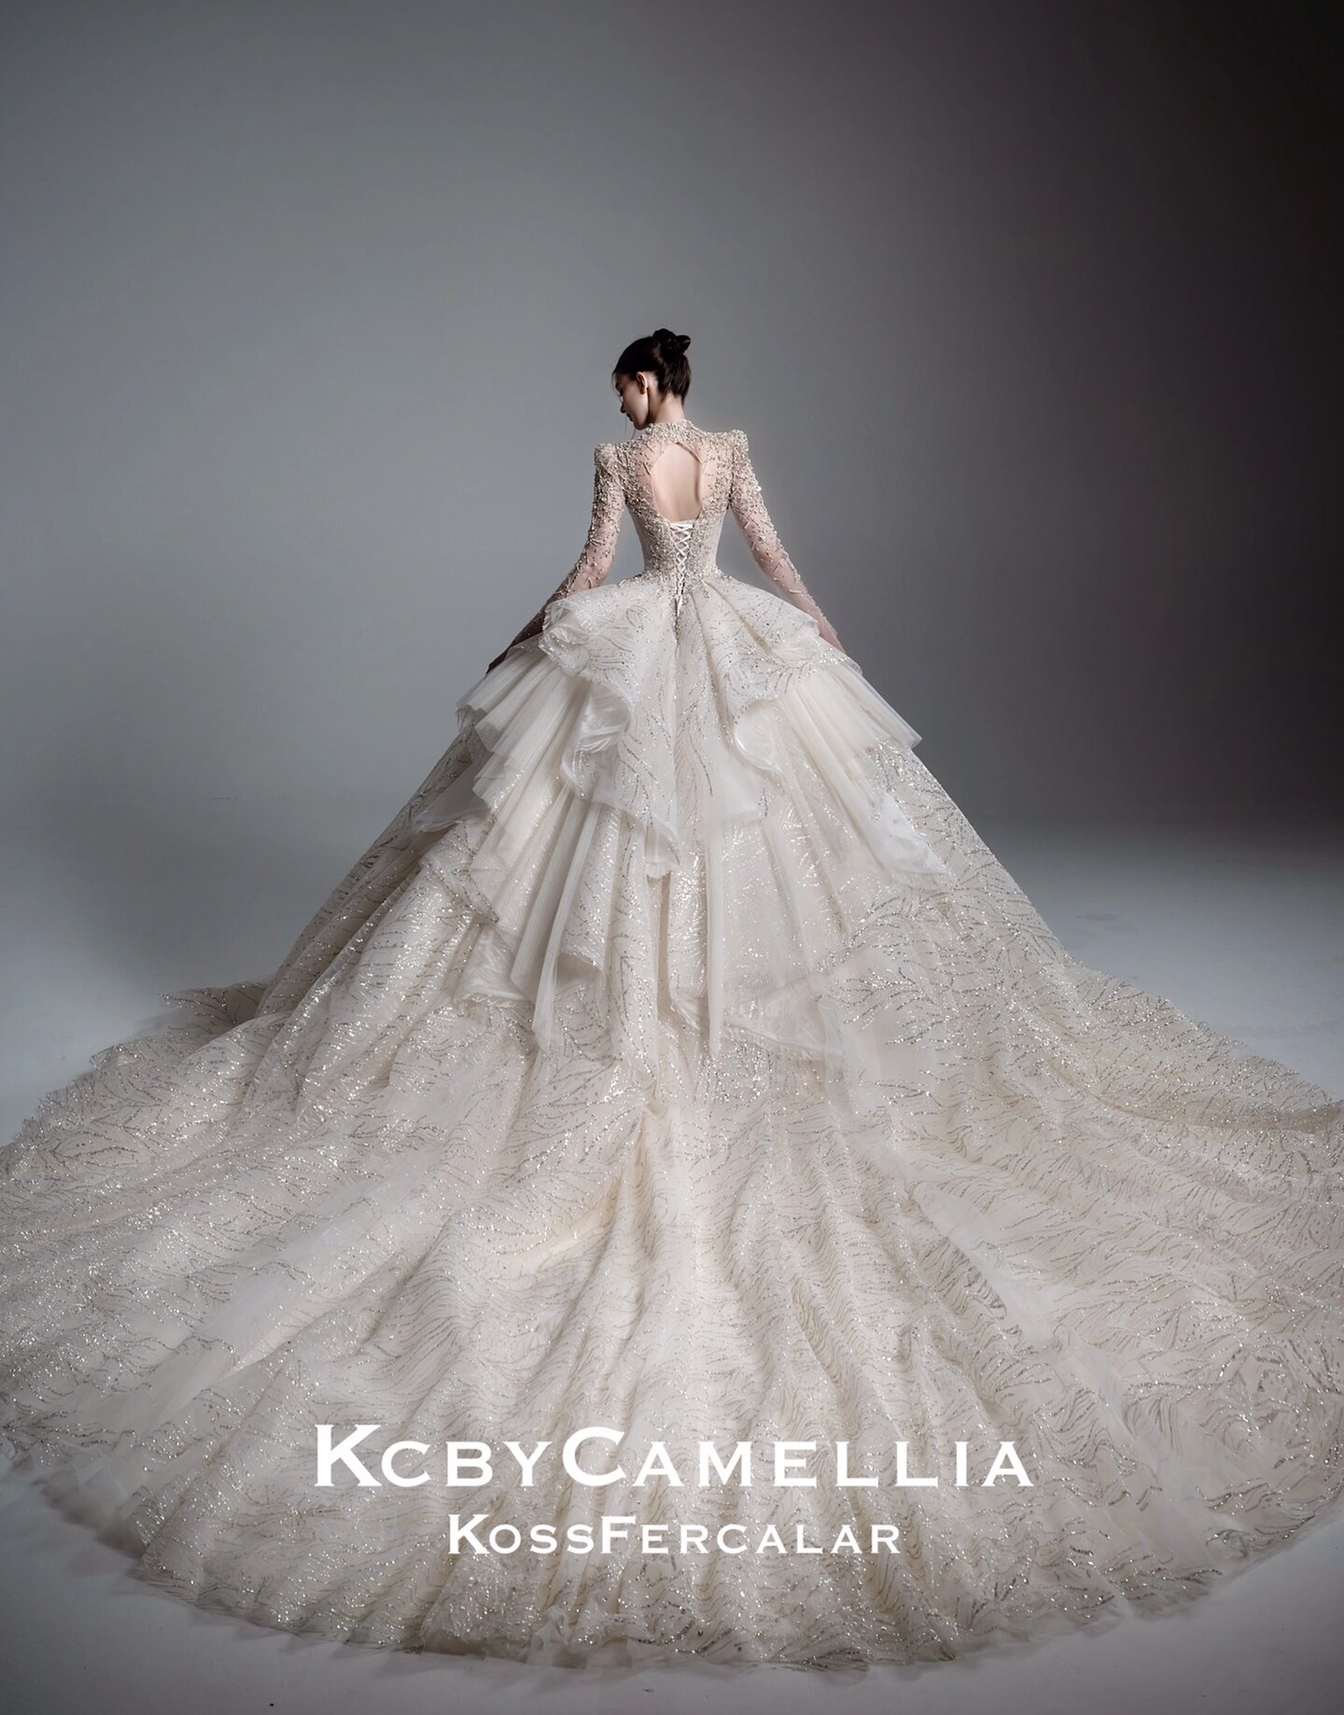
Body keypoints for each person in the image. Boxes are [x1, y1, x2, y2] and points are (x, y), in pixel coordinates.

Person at [1, 326, 1342, 1671]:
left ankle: (627, 1028)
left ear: (648, 389)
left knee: (578, 846)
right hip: (736, 649)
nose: (626, 404)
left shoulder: (619, 459)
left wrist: (531, 632)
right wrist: (819, 634)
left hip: (644, 650)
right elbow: (771, 553)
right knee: (767, 849)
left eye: (628, 387)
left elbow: (596, 570)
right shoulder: (732, 452)